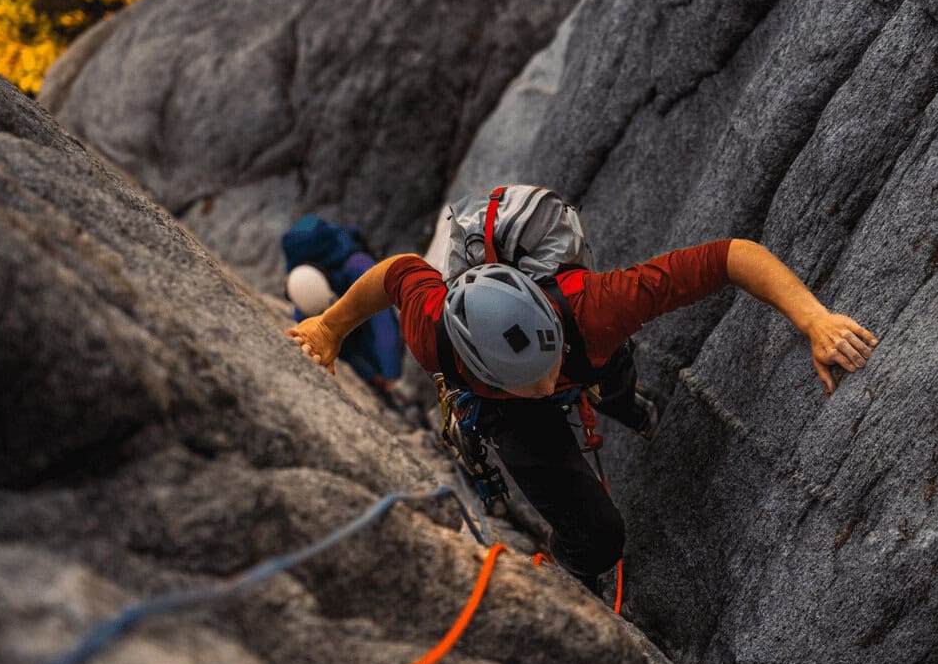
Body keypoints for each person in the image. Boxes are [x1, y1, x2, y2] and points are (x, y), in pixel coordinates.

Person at [286, 235, 877, 595]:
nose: (546, 385)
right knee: (599, 539)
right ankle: (572, 567)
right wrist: (331, 327)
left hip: (584, 349)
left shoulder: (595, 307)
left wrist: (813, 319)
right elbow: (396, 274)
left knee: (608, 375)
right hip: (500, 410)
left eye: (546, 367)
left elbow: (729, 257)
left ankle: (624, 404)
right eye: (528, 381)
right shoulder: (432, 331)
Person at [281, 213, 402, 394]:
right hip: (356, 342)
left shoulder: (358, 265)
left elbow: (383, 322)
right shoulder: (305, 288)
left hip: (368, 328)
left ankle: (386, 375)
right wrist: (372, 376)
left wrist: (390, 373)